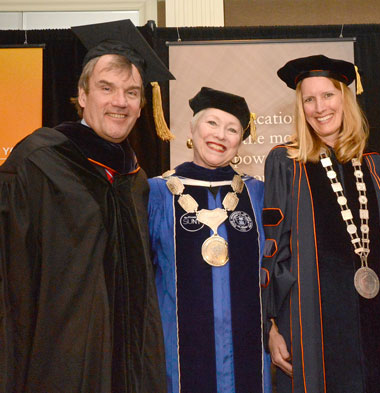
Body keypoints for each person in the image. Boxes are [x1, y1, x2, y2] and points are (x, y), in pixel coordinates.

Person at [0, 19, 173, 392]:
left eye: (131, 92)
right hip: (59, 360)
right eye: (106, 88)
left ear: (142, 105)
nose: (119, 102)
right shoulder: (38, 163)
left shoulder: (136, 181)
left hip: (128, 367)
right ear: (81, 95)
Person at [262, 54, 380, 393]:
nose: (319, 107)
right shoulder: (286, 162)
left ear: (345, 99)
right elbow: (273, 249)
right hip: (313, 322)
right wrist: (271, 325)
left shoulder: (377, 167)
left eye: (328, 95)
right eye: (309, 99)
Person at [149, 87, 271, 393]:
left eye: (232, 129)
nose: (221, 135)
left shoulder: (258, 194)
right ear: (192, 128)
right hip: (175, 352)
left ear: (240, 141)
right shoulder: (157, 193)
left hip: (251, 352)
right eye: (212, 124)